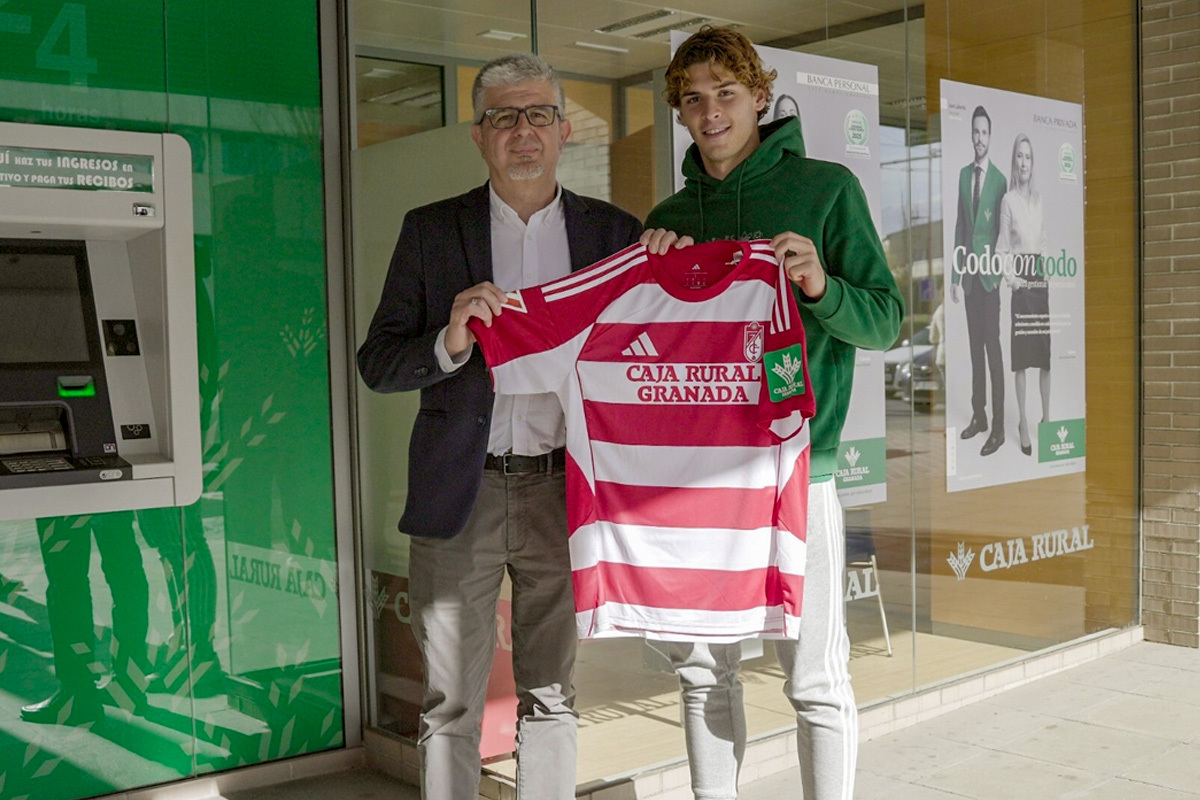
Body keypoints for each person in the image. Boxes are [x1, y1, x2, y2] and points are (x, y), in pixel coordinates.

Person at [357, 54, 641, 800]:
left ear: (563, 130)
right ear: (478, 136)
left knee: (553, 694)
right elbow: (378, 362)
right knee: (451, 704)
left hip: (564, 494)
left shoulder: (615, 234)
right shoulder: (431, 231)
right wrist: (451, 341)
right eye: (504, 117)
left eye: (538, 115)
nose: (523, 131)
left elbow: (646, 356)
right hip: (463, 493)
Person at [641, 26, 903, 800]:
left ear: (761, 95)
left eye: (727, 92)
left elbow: (886, 322)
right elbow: (647, 355)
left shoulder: (826, 190)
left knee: (814, 679)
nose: (711, 111)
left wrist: (821, 285)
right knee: (702, 673)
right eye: (693, 98)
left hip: (799, 469)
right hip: (696, 483)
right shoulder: (667, 214)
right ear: (680, 114)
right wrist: (648, 279)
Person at [949, 105, 1007, 456]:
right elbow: (960, 226)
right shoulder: (961, 175)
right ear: (971, 134)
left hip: (990, 281)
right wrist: (955, 276)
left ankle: (998, 427)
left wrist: (999, 271)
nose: (979, 138)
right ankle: (979, 415)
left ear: (990, 136)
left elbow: (1004, 230)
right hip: (969, 279)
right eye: (975, 132)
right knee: (974, 351)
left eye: (984, 132)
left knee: (993, 351)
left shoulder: (999, 180)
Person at [997, 133, 1050, 456]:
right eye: (1019, 156)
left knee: (1044, 358)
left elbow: (1042, 241)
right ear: (1014, 160)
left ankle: (1047, 418)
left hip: (1040, 278)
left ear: (1033, 162)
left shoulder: (1039, 199)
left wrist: (1045, 272)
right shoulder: (1009, 200)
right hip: (1021, 280)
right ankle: (1023, 423)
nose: (1024, 162)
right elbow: (1002, 247)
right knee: (1021, 361)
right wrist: (1011, 279)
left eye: (1028, 157)